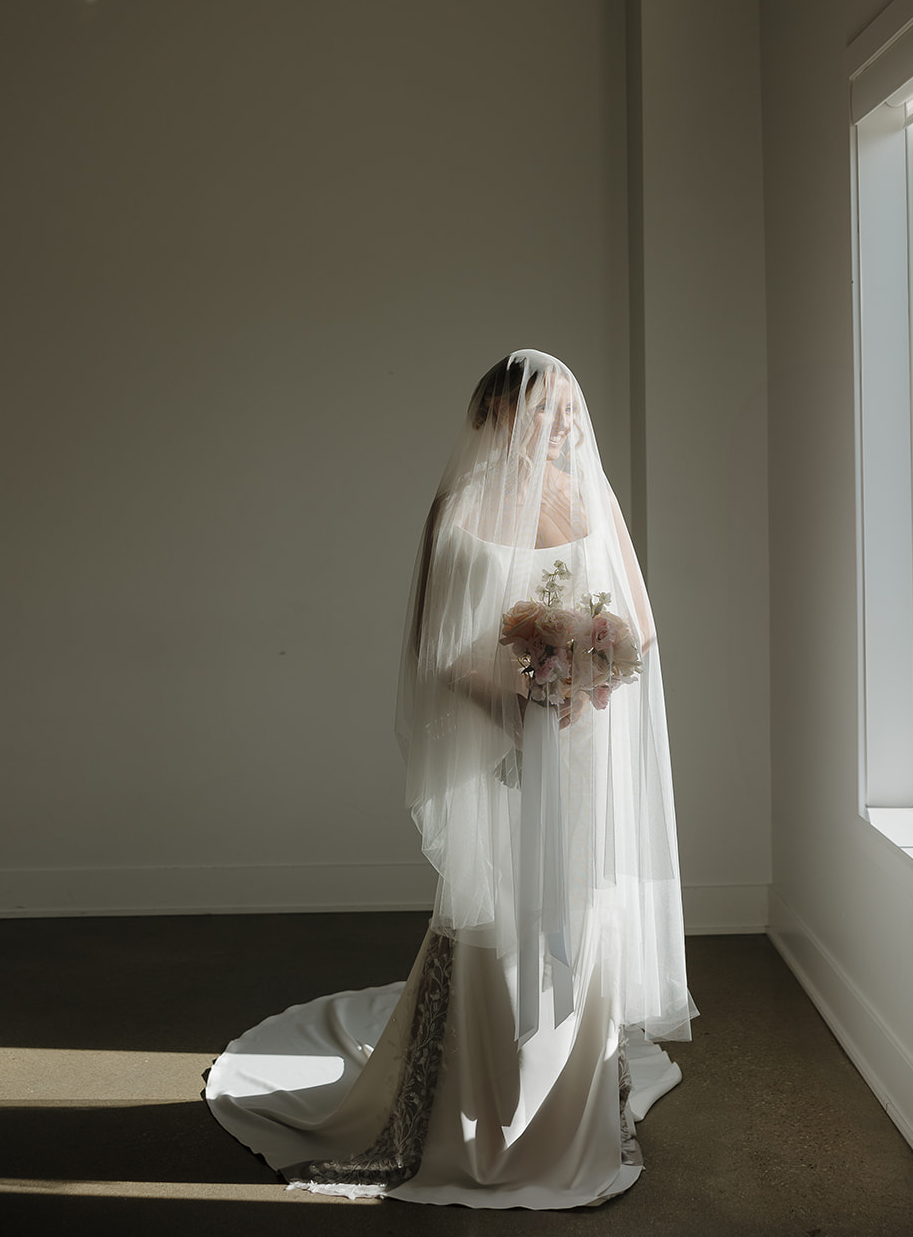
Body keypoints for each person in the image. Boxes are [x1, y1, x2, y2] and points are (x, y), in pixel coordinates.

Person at [206, 349, 696, 1208]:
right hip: (495, 734)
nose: (566, 426)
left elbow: (639, 627)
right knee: (502, 907)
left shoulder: (589, 498)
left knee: (579, 901)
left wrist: (584, 687)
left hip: (583, 742)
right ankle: (482, 1105)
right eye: (549, 411)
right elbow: (437, 649)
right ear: (502, 415)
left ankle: (568, 1101)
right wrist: (518, 703)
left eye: (572, 411)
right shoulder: (460, 506)